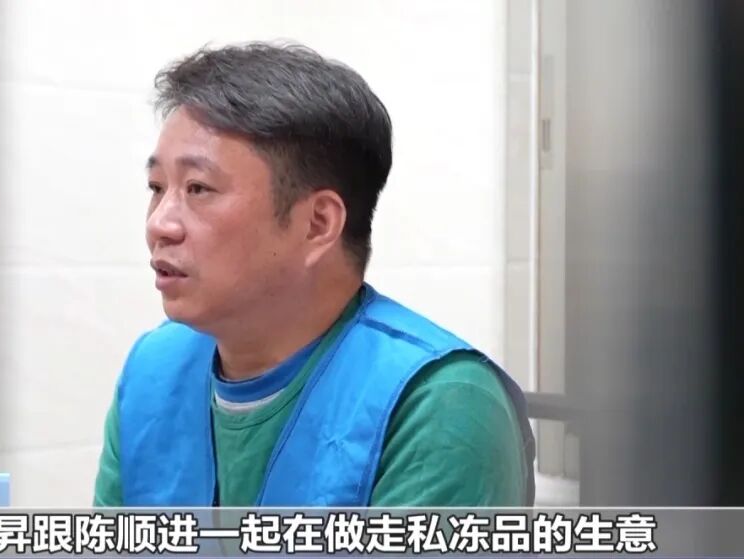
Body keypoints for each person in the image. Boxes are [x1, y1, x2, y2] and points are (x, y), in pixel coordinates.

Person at [93, 42, 535, 507]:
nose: (159, 224)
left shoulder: (438, 405)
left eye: (198, 188)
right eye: (156, 187)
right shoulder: (153, 369)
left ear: (317, 224)